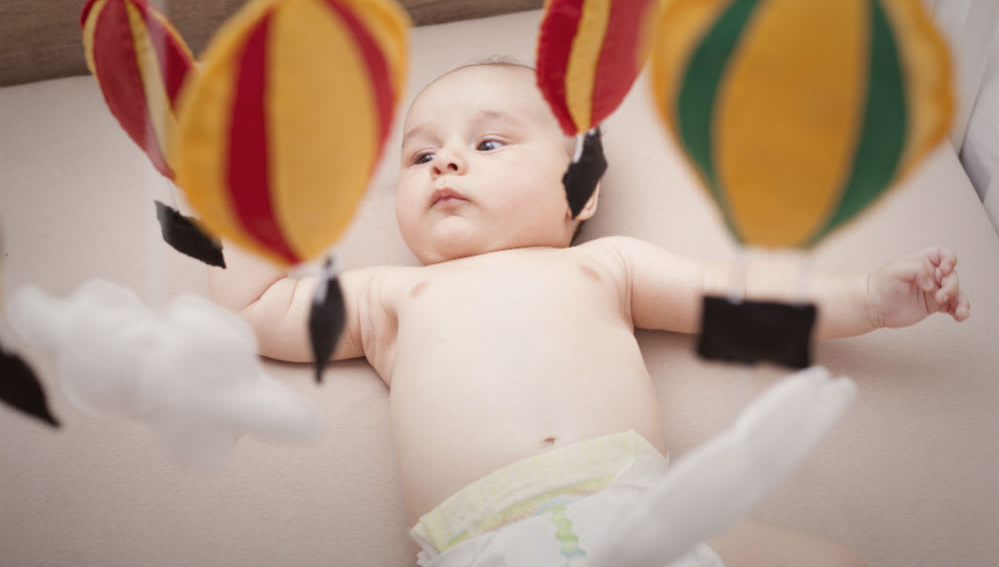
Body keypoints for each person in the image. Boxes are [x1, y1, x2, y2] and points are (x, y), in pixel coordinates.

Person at [209, 62, 970, 566]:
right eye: (419, 156)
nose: (444, 162)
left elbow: (735, 300)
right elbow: (256, 308)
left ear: (580, 190)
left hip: (648, 518)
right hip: (490, 543)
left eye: (488, 141)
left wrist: (867, 299)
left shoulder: (604, 266)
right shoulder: (387, 297)